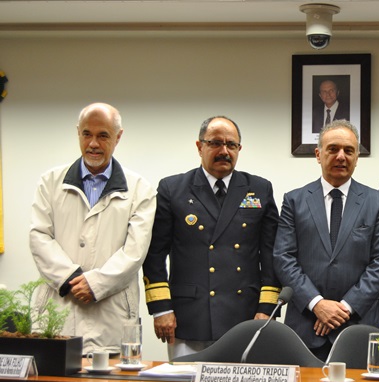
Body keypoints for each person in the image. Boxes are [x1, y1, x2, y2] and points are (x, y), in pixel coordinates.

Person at [142, 115, 280, 359]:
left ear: (239, 149)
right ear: (200, 146)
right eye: (215, 143)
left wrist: (267, 308)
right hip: (188, 315)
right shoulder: (173, 189)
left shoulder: (259, 189)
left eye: (231, 145)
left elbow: (271, 254)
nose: (224, 151)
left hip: (244, 315)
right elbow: (154, 254)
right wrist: (161, 308)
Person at [29, 102, 157, 355]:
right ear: (78, 132)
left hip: (112, 315)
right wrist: (70, 279)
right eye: (87, 134)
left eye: (103, 135)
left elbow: (135, 250)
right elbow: (39, 236)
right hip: (59, 307)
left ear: (118, 137)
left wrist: (95, 284)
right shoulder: (50, 182)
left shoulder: (140, 188)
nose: (93, 144)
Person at [274, 119, 379, 360]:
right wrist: (317, 304)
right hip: (305, 326)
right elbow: (283, 258)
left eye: (349, 150)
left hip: (358, 327)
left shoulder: (378, 202)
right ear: (318, 154)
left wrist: (344, 308)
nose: (341, 156)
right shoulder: (295, 201)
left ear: (357, 157)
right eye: (333, 149)